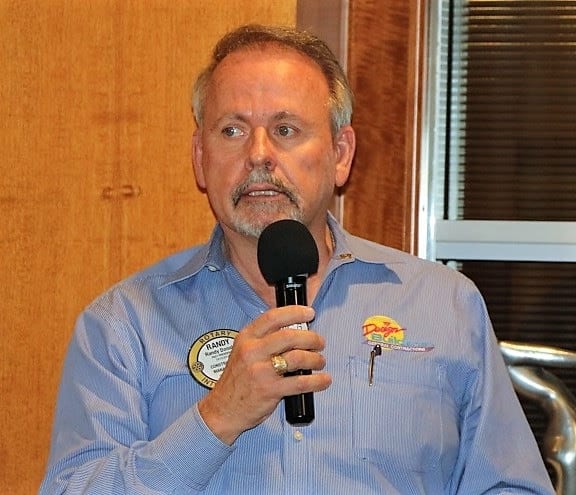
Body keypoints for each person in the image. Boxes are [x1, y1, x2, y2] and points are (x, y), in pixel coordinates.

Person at [40, 24, 555, 494]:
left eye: (286, 130)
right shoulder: (123, 325)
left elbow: (511, 487)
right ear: (200, 158)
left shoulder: (444, 304)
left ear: (340, 154)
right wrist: (216, 419)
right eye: (232, 130)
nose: (258, 154)